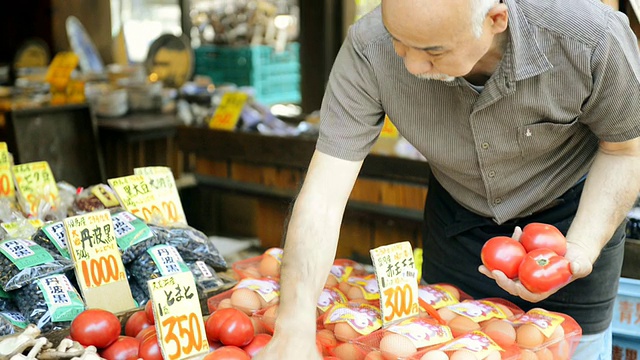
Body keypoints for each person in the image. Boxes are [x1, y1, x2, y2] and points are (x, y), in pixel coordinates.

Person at [254, 0, 640, 359]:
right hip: (457, 223)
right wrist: (293, 325)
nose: (412, 67)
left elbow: (626, 149)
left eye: (434, 51)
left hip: (569, 223)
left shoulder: (590, 37)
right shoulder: (368, 47)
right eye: (399, 43)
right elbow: (323, 195)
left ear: (495, 20)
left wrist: (582, 246)